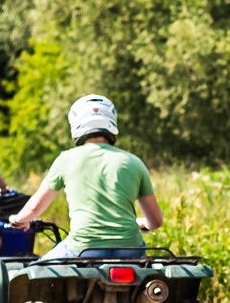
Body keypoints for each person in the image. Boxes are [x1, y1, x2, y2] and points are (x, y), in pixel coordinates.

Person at [10, 95, 163, 260]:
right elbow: (156, 221)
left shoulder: (66, 159)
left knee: (36, 270)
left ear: (76, 123)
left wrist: (18, 219)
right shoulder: (134, 162)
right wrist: (144, 224)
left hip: (84, 248)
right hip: (130, 249)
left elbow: (34, 208)